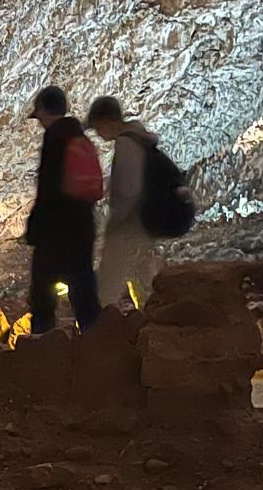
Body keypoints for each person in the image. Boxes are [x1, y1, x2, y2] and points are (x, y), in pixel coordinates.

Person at [26, 85, 103, 333]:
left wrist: (34, 228)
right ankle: (97, 339)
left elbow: (48, 186)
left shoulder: (55, 136)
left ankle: (42, 346)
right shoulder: (80, 136)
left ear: (44, 112)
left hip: (57, 227)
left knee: (42, 289)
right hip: (83, 222)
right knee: (82, 284)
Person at [87, 95, 161, 309]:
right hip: (145, 225)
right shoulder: (140, 140)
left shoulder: (126, 144)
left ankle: (99, 333)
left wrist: (114, 224)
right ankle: (151, 324)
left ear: (107, 120)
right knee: (145, 282)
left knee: (108, 286)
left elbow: (129, 190)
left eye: (98, 127)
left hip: (129, 226)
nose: (98, 133)